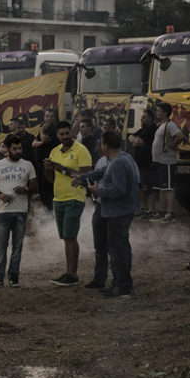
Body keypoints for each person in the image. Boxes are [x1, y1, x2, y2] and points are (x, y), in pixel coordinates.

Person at [76, 131, 140, 297]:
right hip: (119, 211)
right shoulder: (122, 158)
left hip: (117, 213)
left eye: (101, 143)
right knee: (120, 249)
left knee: (117, 250)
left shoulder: (118, 163)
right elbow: (101, 172)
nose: (100, 145)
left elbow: (119, 189)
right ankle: (119, 283)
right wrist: (82, 177)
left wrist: (98, 190)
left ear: (106, 145)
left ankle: (122, 287)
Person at [44, 120, 93, 285]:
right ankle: (69, 272)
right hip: (58, 198)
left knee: (70, 236)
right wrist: (49, 169)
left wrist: (62, 168)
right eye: (61, 134)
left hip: (75, 197)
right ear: (57, 135)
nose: (65, 137)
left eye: (67, 133)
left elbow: (87, 176)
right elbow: (50, 179)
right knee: (66, 237)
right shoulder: (54, 151)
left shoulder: (81, 150)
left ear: (72, 132)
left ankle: (72, 275)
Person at [0, 135, 38, 289]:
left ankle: (14, 276)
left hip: (20, 211)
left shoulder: (28, 165)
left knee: (17, 246)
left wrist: (26, 189)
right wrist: (0, 195)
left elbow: (35, 187)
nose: (18, 151)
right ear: (7, 149)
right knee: (1, 246)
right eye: (14, 149)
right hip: (2, 211)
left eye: (19, 148)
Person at [151, 102, 184, 224]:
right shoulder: (162, 125)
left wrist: (172, 145)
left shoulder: (170, 125)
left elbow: (180, 136)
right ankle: (162, 212)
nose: (157, 112)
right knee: (162, 187)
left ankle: (169, 213)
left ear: (165, 112)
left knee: (169, 188)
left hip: (168, 162)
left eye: (159, 110)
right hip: (160, 161)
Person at [130, 108, 158, 218]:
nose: (142, 119)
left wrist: (137, 141)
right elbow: (131, 137)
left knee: (149, 188)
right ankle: (144, 208)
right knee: (142, 187)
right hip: (140, 164)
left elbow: (137, 141)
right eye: (142, 117)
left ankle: (151, 210)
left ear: (150, 118)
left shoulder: (152, 129)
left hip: (148, 163)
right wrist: (136, 141)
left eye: (144, 117)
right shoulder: (143, 130)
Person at [33, 109, 60, 211]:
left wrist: (41, 131)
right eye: (47, 116)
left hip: (50, 163)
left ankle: (50, 209)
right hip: (40, 162)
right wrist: (40, 143)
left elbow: (45, 139)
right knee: (40, 186)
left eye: (51, 116)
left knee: (47, 187)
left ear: (54, 117)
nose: (48, 118)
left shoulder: (54, 127)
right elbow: (34, 143)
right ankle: (46, 208)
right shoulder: (45, 127)